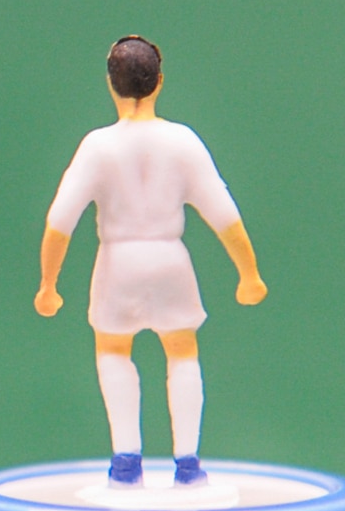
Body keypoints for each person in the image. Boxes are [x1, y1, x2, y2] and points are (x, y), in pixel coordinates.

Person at [34, 36, 267, 488]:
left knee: (112, 351)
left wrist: (49, 284)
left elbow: (60, 220)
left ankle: (126, 464)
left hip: (117, 263)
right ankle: (188, 464)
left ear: (111, 84)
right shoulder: (182, 141)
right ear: (160, 82)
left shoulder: (97, 146)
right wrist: (249, 274)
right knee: (182, 352)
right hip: (169, 260)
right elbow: (224, 214)